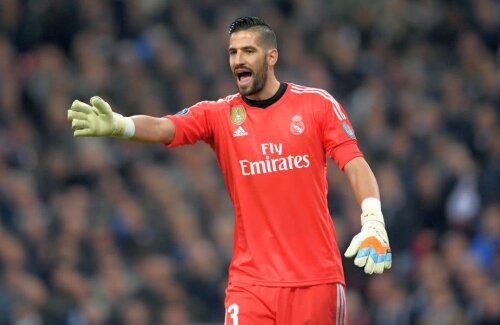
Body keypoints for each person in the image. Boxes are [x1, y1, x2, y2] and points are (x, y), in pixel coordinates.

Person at [67, 16, 391, 325]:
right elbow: (166, 127)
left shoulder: (316, 105)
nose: (238, 59)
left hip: (315, 281)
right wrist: (121, 125)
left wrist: (372, 218)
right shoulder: (220, 115)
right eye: (233, 52)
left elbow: (353, 161)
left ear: (271, 56)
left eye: (248, 51)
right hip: (251, 284)